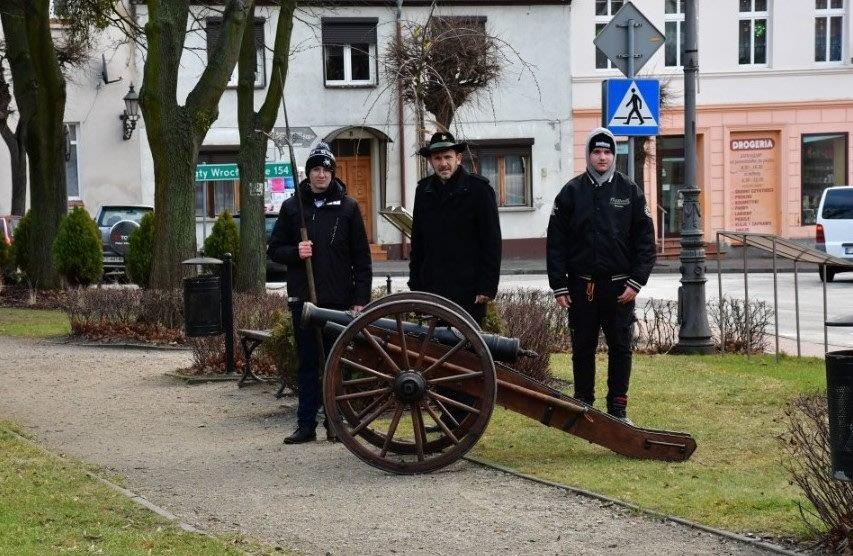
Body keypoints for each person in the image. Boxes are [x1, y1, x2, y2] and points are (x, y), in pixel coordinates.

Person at [546, 127, 655, 423]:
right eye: (596, 151)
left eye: (607, 152)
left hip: (620, 289)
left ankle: (617, 409)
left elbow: (646, 241)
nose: (602, 157)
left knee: (621, 348)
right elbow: (556, 242)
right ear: (588, 155)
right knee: (582, 348)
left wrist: (637, 281)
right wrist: (559, 285)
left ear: (614, 155)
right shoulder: (571, 192)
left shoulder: (629, 191)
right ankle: (583, 405)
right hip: (581, 288)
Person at [268, 142, 372, 444]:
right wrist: (295, 252)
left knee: (335, 362)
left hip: (338, 299)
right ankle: (305, 424)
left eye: (326, 169)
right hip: (303, 299)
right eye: (316, 169)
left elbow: (361, 260)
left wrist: (360, 299)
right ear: (309, 173)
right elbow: (274, 250)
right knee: (308, 363)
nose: (321, 175)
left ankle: (335, 423)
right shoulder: (292, 208)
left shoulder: (348, 208)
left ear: (332, 173)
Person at [408, 131, 502, 325]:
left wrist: (487, 286)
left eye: (448, 157)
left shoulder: (479, 190)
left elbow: (491, 242)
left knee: (468, 352)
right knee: (435, 350)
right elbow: (417, 241)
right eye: (437, 158)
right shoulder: (423, 191)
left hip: (468, 290)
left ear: (458, 158)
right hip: (433, 289)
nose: (443, 163)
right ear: (431, 161)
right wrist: (415, 284)